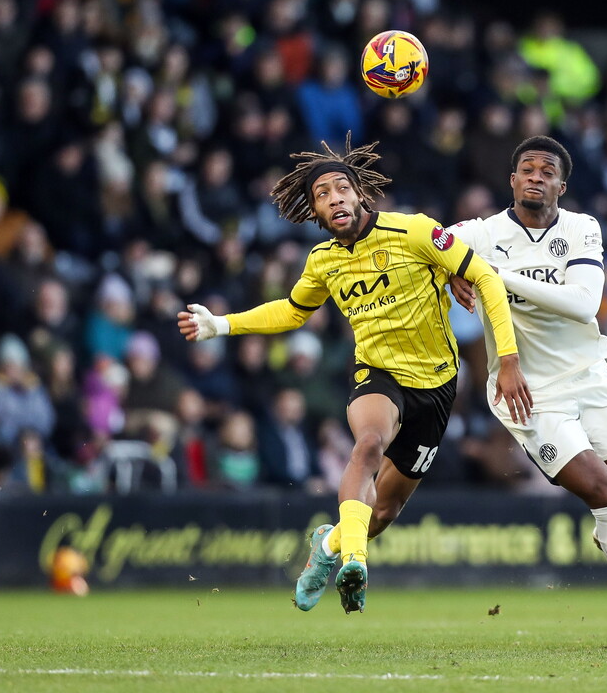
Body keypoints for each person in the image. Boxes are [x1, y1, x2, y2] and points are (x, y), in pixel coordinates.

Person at [177, 136, 531, 613]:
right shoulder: (322, 262)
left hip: (437, 384)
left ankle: (328, 546)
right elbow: (290, 311)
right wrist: (221, 324)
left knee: (380, 514)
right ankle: (356, 566)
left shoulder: (414, 232)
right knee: (367, 444)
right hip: (378, 374)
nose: (334, 198)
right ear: (315, 213)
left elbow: (485, 277)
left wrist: (506, 359)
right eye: (322, 195)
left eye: (341, 188)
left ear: (360, 194)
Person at [447, 135, 607, 651]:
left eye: (546, 170)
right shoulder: (481, 234)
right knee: (606, 494)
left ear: (561, 184)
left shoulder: (583, 228)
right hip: (530, 394)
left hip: (592, 378)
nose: (536, 175)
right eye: (526, 168)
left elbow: (583, 304)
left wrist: (490, 276)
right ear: (511, 181)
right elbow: (429, 243)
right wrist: (447, 271)